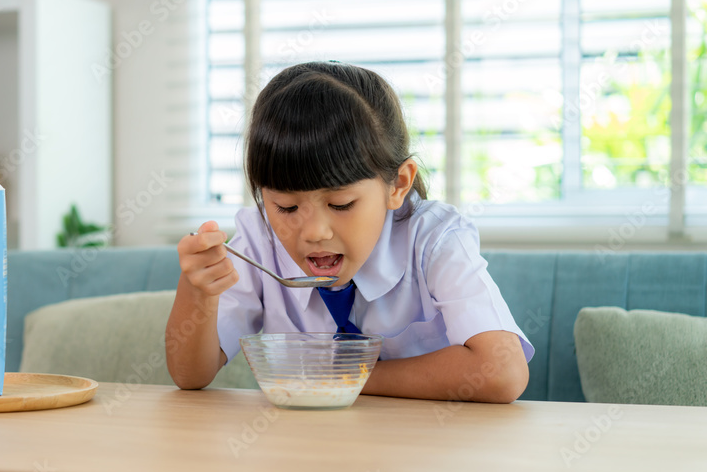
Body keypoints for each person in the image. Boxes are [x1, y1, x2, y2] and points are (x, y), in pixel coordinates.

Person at [165, 61, 533, 403]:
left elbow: (502, 371)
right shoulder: (259, 239)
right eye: (286, 207)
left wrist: (340, 376)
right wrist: (197, 291)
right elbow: (191, 375)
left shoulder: (434, 238)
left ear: (398, 185)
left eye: (340, 204)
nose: (314, 232)